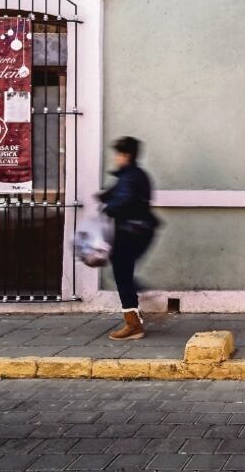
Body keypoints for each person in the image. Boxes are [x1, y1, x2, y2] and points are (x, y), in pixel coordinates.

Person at [97, 136, 159, 340]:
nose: (116, 159)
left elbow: (123, 200)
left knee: (122, 276)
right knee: (124, 274)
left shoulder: (129, 177)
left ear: (126, 155)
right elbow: (120, 194)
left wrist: (109, 206)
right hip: (140, 231)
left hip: (129, 232)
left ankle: (133, 326)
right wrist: (106, 197)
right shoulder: (135, 175)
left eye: (118, 154)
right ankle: (138, 302)